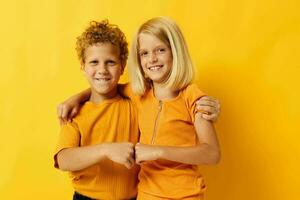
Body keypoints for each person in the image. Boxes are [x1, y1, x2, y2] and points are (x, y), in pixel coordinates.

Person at [57, 17, 221, 200]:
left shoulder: (184, 96)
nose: (152, 59)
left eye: (160, 50)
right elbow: (107, 87)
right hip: (141, 195)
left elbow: (212, 153)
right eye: (144, 53)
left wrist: (157, 151)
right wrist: (76, 98)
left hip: (183, 194)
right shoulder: (136, 95)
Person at [54, 20, 139, 200]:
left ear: (122, 66)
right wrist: (106, 150)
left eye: (110, 62)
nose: (102, 70)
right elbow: (63, 159)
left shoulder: (134, 102)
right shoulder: (75, 114)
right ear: (83, 66)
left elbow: (160, 88)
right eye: (94, 62)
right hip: (86, 198)